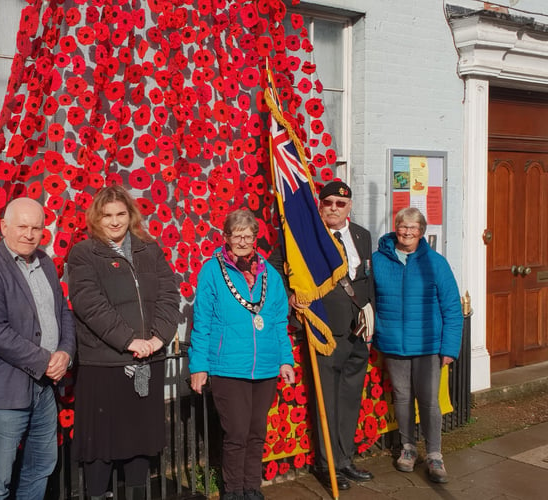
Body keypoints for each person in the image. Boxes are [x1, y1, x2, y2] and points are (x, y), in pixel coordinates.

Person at [67, 185, 181, 500]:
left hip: (149, 361)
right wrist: (130, 340)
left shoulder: (150, 249)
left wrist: (158, 338)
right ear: (96, 219)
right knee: (101, 447)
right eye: (107, 216)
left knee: (140, 443)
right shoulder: (84, 253)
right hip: (106, 364)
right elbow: (89, 303)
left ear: (130, 216)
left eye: (120, 214)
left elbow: (169, 296)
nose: (115, 222)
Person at [0, 197, 76, 499]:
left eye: (36, 227)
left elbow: (62, 312)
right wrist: (46, 360)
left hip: (43, 389)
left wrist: (64, 353)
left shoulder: (46, 263)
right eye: (22, 226)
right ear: (3, 227)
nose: (29, 233)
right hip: (4, 392)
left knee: (41, 467)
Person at [189, 208, 296, 500]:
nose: (243, 241)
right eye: (237, 236)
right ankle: (233, 491)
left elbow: (277, 322)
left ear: (255, 238)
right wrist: (199, 366)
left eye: (248, 236)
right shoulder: (212, 271)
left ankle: (252, 487)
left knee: (256, 432)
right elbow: (202, 322)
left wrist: (285, 359)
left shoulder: (269, 275)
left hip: (265, 368)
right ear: (226, 237)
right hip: (227, 367)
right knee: (236, 434)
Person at [372, 207, 463, 484]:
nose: (407, 232)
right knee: (401, 398)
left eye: (413, 227)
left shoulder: (435, 262)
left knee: (429, 401)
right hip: (393, 344)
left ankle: (434, 453)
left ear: (421, 232)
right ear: (395, 227)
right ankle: (408, 447)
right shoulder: (377, 260)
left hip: (427, 345)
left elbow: (452, 307)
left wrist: (449, 348)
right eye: (403, 226)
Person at [309, 181, 375, 491]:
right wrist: (294, 298)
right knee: (327, 400)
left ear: (349, 207)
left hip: (358, 333)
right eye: (329, 202)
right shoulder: (307, 238)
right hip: (326, 332)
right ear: (320, 205)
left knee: (349, 399)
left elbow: (366, 278)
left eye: (341, 203)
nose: (334, 208)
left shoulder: (361, 235)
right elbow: (280, 268)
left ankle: (345, 458)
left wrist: (370, 317)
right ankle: (327, 465)